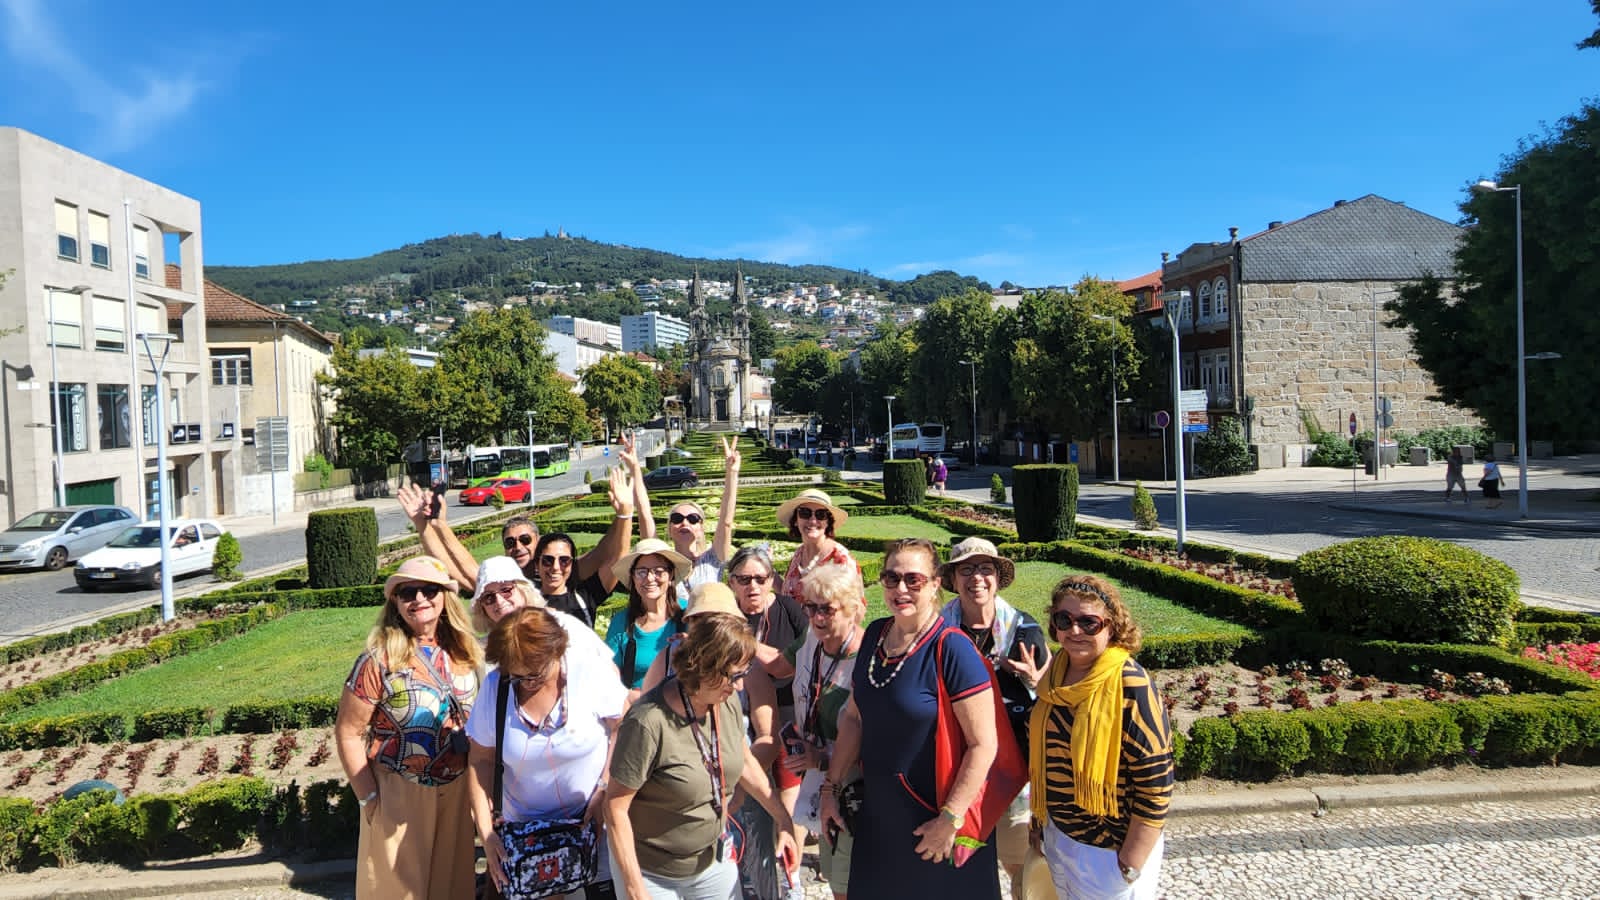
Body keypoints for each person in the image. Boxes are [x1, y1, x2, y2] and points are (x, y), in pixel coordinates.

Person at [820, 538, 1002, 899]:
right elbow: (855, 718)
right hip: (879, 819)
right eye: (892, 578)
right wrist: (830, 788)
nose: (900, 589)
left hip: (935, 824)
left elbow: (984, 744)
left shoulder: (953, 648)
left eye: (913, 580)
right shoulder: (875, 636)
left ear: (935, 584)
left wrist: (950, 819)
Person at [605, 611, 801, 900]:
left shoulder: (724, 700)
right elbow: (615, 807)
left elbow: (745, 761)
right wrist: (635, 890)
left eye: (743, 674)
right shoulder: (647, 722)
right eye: (734, 676)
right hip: (650, 872)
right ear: (705, 668)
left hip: (711, 860)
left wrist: (782, 819)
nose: (739, 686)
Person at [335, 556, 485, 900]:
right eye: (407, 592)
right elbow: (348, 732)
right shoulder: (379, 661)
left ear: (445, 597)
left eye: (429, 590)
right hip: (400, 789)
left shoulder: (466, 652)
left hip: (457, 790)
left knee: (452, 889)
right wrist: (369, 798)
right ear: (396, 603)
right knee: (398, 892)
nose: (419, 599)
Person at [466, 607, 627, 900]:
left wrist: (604, 788)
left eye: (535, 673)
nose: (527, 682)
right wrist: (486, 833)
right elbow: (480, 760)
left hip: (591, 826)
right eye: (517, 676)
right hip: (528, 841)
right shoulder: (496, 687)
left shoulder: (587, 671)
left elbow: (623, 727)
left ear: (557, 651)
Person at [1029, 575, 1173, 900]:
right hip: (1059, 838)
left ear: (1112, 626)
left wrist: (1130, 863)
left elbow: (1156, 782)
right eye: (1064, 620)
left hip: (1107, 852)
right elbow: (1047, 759)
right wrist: (1040, 824)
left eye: (1088, 623)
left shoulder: (1130, 683)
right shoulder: (1055, 676)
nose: (1075, 630)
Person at [937, 538, 1050, 896]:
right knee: (962, 870)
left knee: (1022, 869)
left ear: (998, 578)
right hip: (958, 772)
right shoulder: (937, 632)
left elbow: (1051, 698)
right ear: (953, 580)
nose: (977, 578)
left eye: (986, 569)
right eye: (966, 570)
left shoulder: (1024, 630)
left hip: (1013, 773)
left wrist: (1034, 682)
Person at [397, 434, 642, 595]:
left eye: (525, 540)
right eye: (510, 542)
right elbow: (458, 568)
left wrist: (624, 514)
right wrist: (427, 526)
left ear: (539, 543)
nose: (518, 547)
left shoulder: (562, 574)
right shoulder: (505, 590)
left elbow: (607, 554)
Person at [774, 562, 866, 900]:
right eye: (810, 607)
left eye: (827, 608)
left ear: (853, 608)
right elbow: (778, 665)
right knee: (834, 876)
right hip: (822, 780)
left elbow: (873, 738)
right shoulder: (812, 640)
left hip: (856, 787)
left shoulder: (866, 658)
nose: (817, 617)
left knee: (847, 884)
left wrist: (822, 759)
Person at [639, 435, 742, 607]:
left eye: (693, 519)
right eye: (677, 519)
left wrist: (732, 473)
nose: (685, 523)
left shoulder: (713, 558)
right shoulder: (662, 561)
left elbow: (726, 521)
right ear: (669, 529)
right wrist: (635, 470)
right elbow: (645, 516)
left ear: (701, 528)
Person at [470, 555, 616, 673]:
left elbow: (606, 667)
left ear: (523, 590)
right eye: (488, 597)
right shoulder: (481, 651)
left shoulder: (561, 625)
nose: (499, 601)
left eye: (506, 590)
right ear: (482, 607)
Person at [605, 538, 691, 691]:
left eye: (658, 571)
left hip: (682, 702)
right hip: (637, 702)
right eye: (642, 572)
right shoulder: (621, 622)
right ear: (633, 577)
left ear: (670, 575)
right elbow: (607, 675)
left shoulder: (689, 614)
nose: (650, 578)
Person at [776, 490, 861, 610]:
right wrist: (770, 573)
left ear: (828, 522)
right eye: (805, 513)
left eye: (821, 514)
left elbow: (856, 610)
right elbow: (789, 596)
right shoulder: (798, 554)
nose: (813, 521)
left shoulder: (841, 560)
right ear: (795, 520)